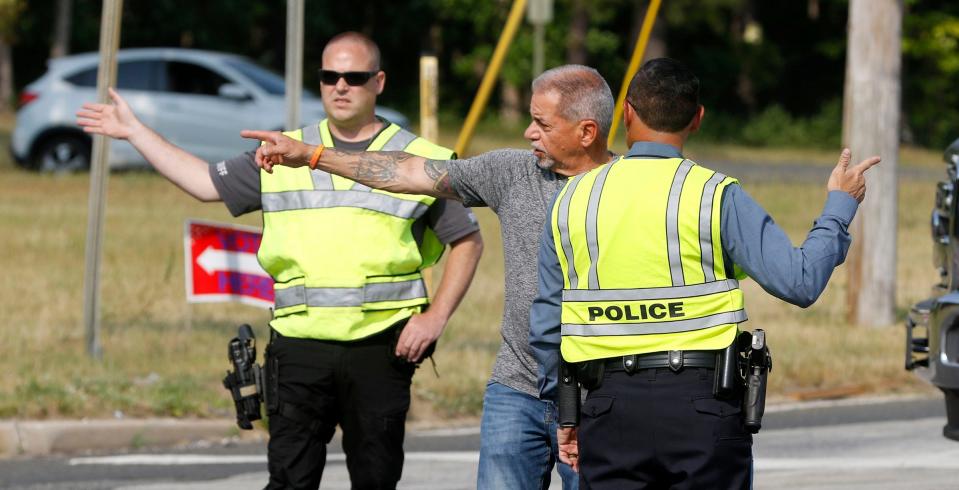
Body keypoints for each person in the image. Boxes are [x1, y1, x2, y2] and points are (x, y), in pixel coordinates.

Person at [77, 32, 483, 490]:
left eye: (355, 76)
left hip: (381, 348)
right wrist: (135, 132)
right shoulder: (281, 150)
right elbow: (205, 183)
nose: (341, 86)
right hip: (298, 346)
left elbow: (467, 240)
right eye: (330, 76)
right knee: (289, 481)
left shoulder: (419, 159)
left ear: (380, 82)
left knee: (376, 480)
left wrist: (435, 318)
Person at [241, 64, 615, 490]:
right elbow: (407, 172)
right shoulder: (513, 172)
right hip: (517, 388)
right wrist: (310, 155)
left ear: (587, 132)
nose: (529, 132)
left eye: (542, 124)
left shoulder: (628, 190)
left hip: (600, 394)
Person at [530, 58, 881, 489]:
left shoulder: (572, 200)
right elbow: (799, 281)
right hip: (701, 406)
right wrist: (839, 206)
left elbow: (548, 322)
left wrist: (567, 413)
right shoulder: (714, 196)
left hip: (608, 407)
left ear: (626, 112)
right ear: (697, 119)